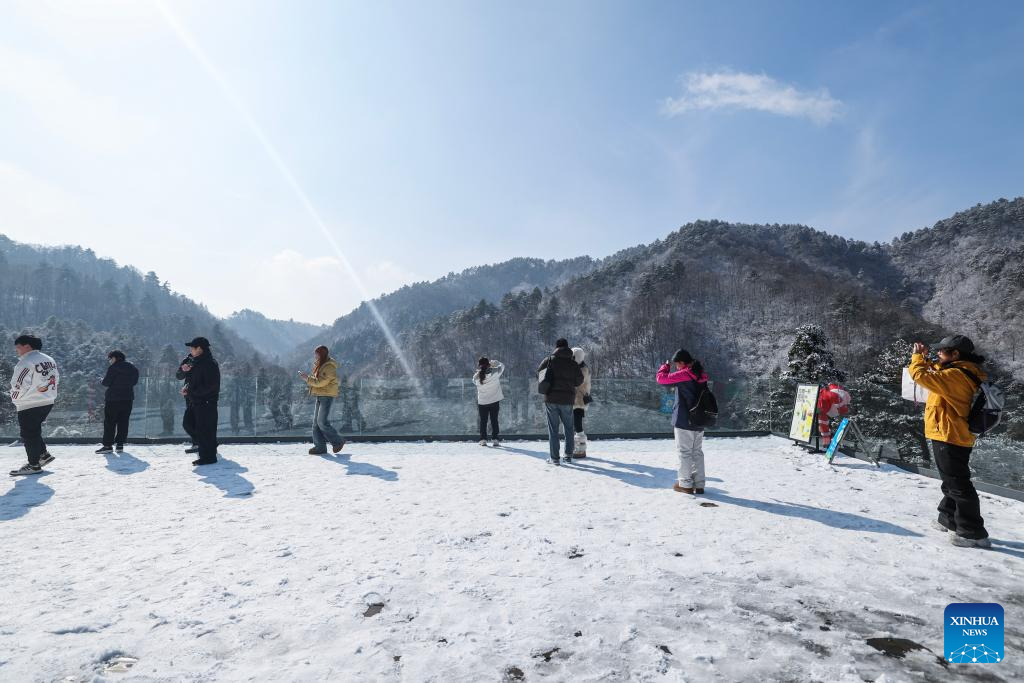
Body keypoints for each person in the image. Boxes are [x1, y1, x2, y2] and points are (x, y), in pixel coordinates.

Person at [909, 336, 991, 548]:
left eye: (942, 350)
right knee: (951, 480)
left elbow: (920, 375)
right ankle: (947, 517)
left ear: (955, 354)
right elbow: (936, 371)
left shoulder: (956, 375)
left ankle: (972, 532)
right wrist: (926, 359)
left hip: (949, 434)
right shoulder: (960, 370)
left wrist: (917, 358)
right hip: (951, 432)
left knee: (958, 483)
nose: (938, 353)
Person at [656, 349, 709, 494]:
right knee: (697, 452)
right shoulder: (701, 374)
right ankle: (699, 484)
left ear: (682, 362)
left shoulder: (685, 374)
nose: (676, 367)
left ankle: (685, 484)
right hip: (699, 419)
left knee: (684, 452)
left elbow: (661, 379)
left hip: (684, 420)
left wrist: (665, 367)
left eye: (677, 364)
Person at [9, 334, 60, 476]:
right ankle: (43, 455)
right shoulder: (49, 360)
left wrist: (14, 398)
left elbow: (19, 384)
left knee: (28, 433)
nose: (17, 351)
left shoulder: (26, 362)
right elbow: (56, 378)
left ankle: (33, 465)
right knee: (34, 430)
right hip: (47, 400)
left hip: (29, 403)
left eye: (18, 347)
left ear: (27, 346)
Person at [538, 339, 583, 465]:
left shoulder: (549, 360)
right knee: (569, 428)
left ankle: (555, 458)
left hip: (551, 399)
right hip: (567, 400)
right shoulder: (573, 363)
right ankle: (568, 456)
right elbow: (579, 380)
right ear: (567, 347)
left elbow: (539, 374)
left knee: (553, 429)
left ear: (556, 347)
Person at [299, 345, 346, 455]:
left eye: (317, 354)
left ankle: (338, 441)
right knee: (316, 423)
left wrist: (307, 379)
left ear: (322, 354)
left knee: (321, 422)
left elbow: (321, 382)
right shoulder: (321, 365)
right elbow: (318, 380)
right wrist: (308, 378)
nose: (315, 356)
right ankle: (320, 447)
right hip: (320, 395)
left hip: (326, 396)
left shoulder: (329, 367)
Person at [181, 337, 220, 466]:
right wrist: (187, 389)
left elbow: (211, 386)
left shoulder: (209, 363)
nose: (190, 350)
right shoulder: (195, 362)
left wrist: (191, 392)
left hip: (206, 402)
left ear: (199, 349)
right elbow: (190, 379)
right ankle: (208, 446)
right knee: (188, 423)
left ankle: (208, 457)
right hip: (195, 400)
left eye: (192, 347)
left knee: (205, 429)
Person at [96, 350, 140, 454]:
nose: (110, 361)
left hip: (113, 399)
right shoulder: (132, 368)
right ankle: (120, 445)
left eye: (110, 358)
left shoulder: (113, 368)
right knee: (123, 422)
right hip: (128, 398)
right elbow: (134, 382)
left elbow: (106, 382)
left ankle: (108, 445)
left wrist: (101, 380)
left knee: (110, 422)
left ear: (115, 358)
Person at [473, 357, 504, 446]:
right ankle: (495, 439)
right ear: (489, 364)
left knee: (483, 421)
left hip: (482, 402)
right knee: (494, 420)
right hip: (494, 401)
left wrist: (479, 372)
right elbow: (502, 366)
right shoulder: (495, 372)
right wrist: (496, 362)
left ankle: (483, 440)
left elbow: (474, 381)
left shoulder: (477, 377)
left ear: (479, 366)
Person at [571, 347, 592, 458]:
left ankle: (580, 450)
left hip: (578, 401)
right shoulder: (583, 367)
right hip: (577, 400)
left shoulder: (583, 369)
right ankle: (577, 448)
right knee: (576, 425)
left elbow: (577, 383)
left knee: (578, 426)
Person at [176, 352, 198, 454]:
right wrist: (183, 370)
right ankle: (197, 442)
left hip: (202, 395)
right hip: (189, 395)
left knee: (200, 420)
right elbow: (178, 376)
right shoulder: (188, 360)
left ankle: (202, 443)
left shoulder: (206, 361)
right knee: (189, 421)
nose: (192, 350)